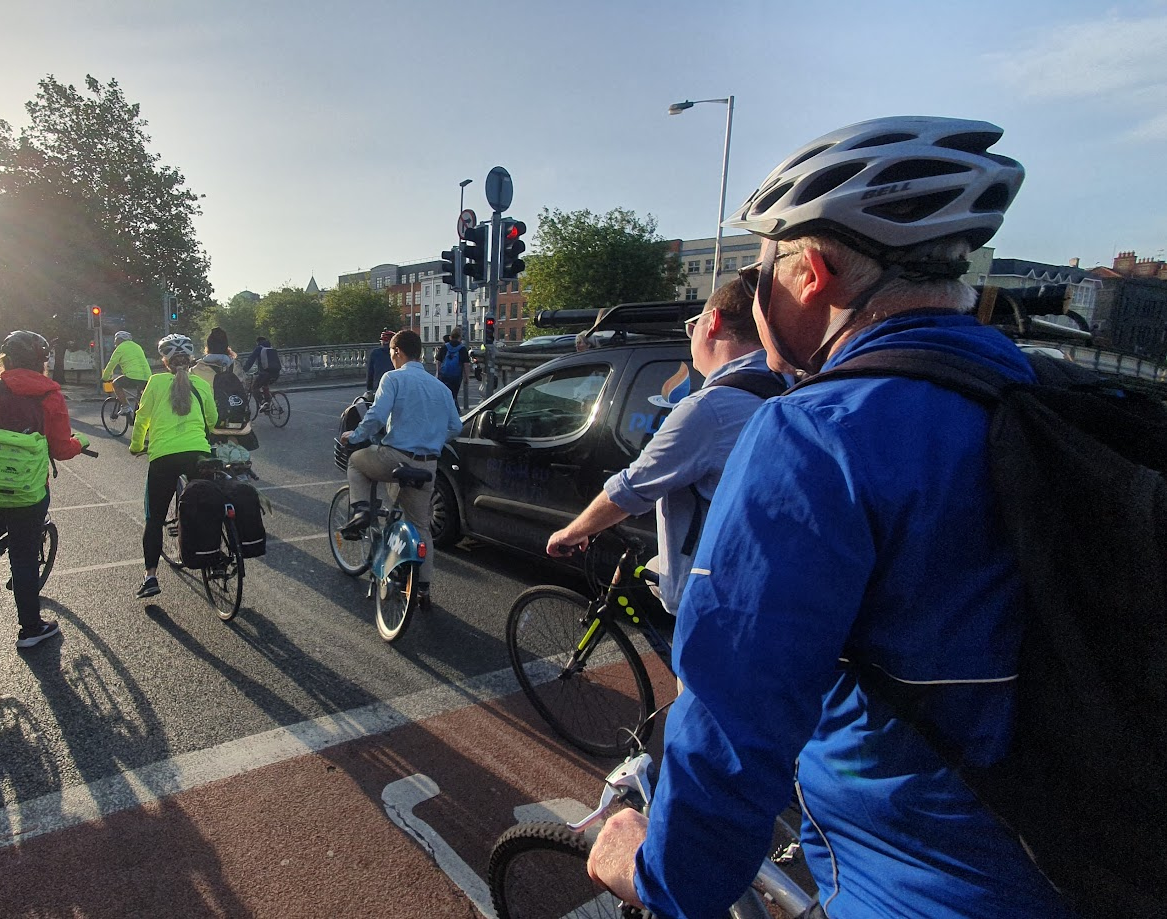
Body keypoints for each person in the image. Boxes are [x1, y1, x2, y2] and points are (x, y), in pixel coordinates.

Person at [584, 117, 1076, 919]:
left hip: (916, 889)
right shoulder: (1046, 396)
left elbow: (734, 716)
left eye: (762, 266)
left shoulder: (815, 434)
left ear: (811, 272)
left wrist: (655, 873)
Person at [545, 278, 788, 615]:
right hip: (769, 577)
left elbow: (630, 489)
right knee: (655, 567)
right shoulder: (792, 387)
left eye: (692, 327)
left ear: (713, 322)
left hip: (715, 594)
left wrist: (571, 533)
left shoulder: (709, 409)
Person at [0, 330, 87, 648]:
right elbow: (60, 448)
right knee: (24, 556)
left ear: (6, 360)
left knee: (4, 510)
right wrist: (80, 443)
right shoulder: (49, 395)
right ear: (41, 363)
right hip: (27, 487)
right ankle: (31, 629)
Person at [337, 329, 462, 609]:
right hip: (427, 464)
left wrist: (355, 436)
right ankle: (423, 589)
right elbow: (456, 427)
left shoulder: (393, 378)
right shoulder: (441, 388)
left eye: (392, 353)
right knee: (421, 526)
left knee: (356, 461)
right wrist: (432, 439)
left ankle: (361, 511)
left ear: (397, 352)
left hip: (395, 457)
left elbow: (377, 416)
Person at [130, 333, 218, 600]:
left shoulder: (156, 382)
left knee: (154, 518)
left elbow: (142, 418)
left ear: (165, 361)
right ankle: (214, 557)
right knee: (206, 505)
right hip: (198, 452)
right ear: (190, 360)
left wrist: (136, 446)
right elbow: (212, 419)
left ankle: (150, 577)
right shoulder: (200, 383)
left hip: (163, 456)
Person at [192, 327, 256, 462]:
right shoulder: (235, 366)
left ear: (208, 347)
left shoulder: (196, 369)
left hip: (211, 422)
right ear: (227, 347)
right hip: (238, 421)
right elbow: (244, 388)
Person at [102, 330, 151, 418]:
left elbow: (111, 364)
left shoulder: (120, 348)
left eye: (115, 340)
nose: (115, 343)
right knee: (140, 400)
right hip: (147, 377)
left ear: (119, 340)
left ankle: (125, 406)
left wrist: (105, 378)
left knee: (116, 384)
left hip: (133, 376)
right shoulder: (137, 346)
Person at [242, 335, 282, 409]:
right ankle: (267, 406)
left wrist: (244, 370)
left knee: (254, 388)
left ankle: (263, 403)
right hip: (276, 373)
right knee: (265, 386)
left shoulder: (259, 348)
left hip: (265, 374)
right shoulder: (271, 348)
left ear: (257, 342)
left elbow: (251, 360)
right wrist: (258, 372)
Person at [433, 327, 466, 405]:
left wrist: (438, 372)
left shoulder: (444, 347)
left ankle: (448, 407)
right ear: (460, 337)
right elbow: (466, 364)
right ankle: (455, 408)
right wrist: (466, 376)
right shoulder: (462, 348)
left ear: (451, 336)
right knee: (454, 394)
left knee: (445, 393)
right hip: (456, 375)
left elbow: (438, 361)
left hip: (444, 374)